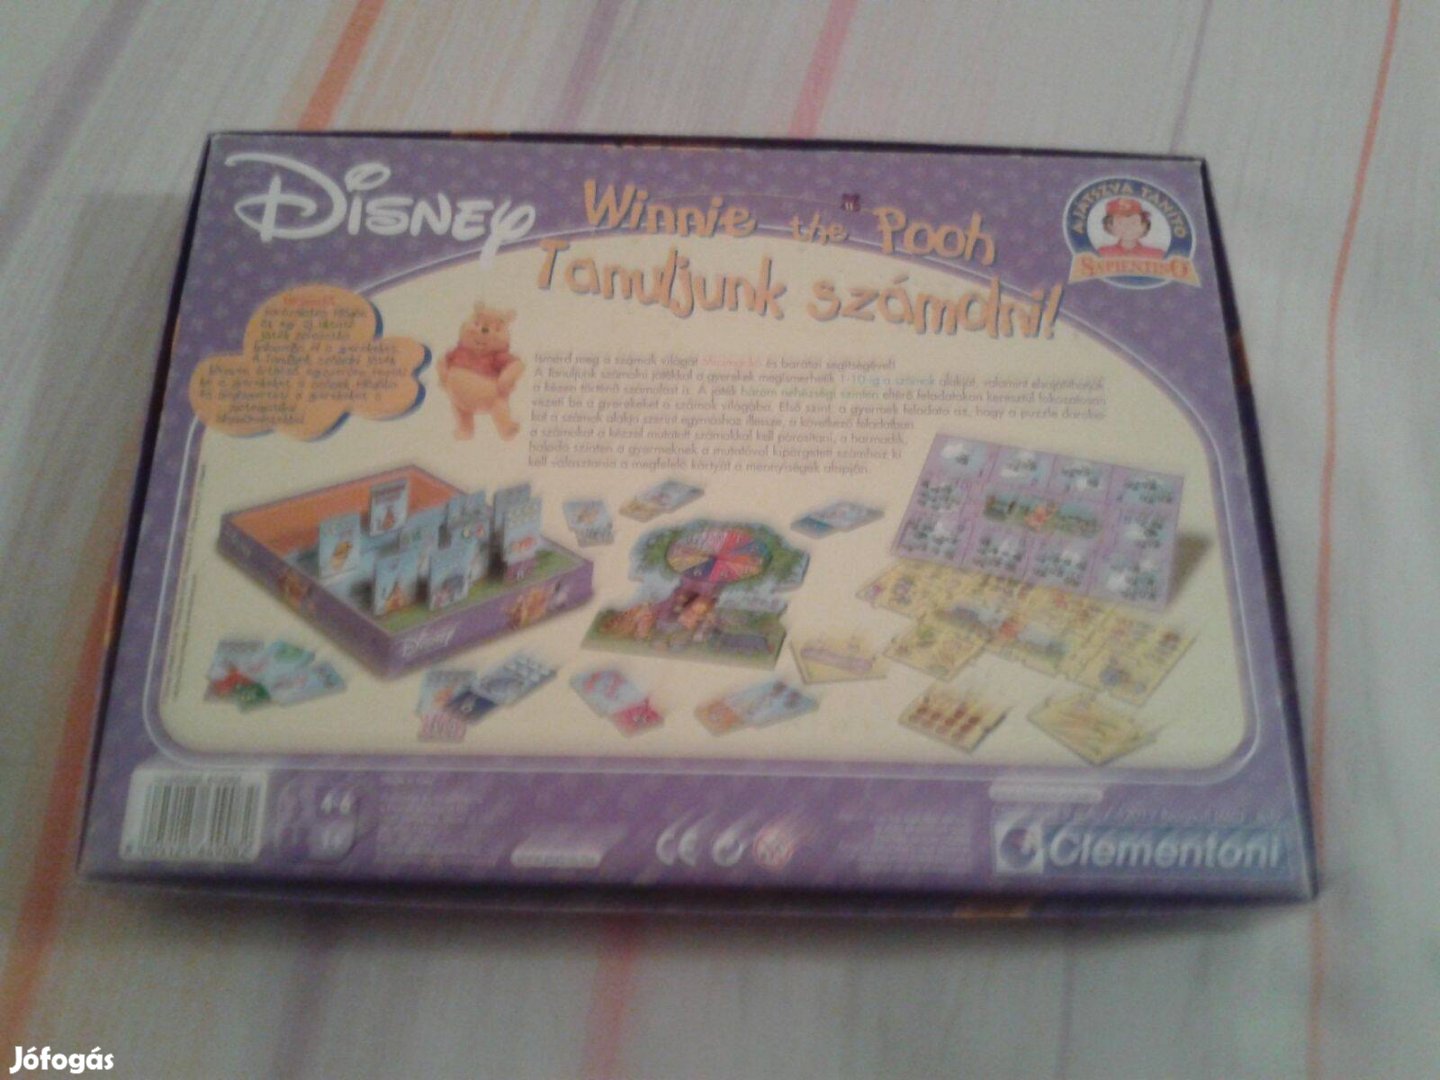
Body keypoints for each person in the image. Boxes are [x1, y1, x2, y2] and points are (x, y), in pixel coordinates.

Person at [1097, 197, 1165, 258]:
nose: (1128, 227)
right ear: (1110, 226)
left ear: (1144, 225)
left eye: (1133, 222)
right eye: (1120, 223)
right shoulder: (1101, 253)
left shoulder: (1157, 254)